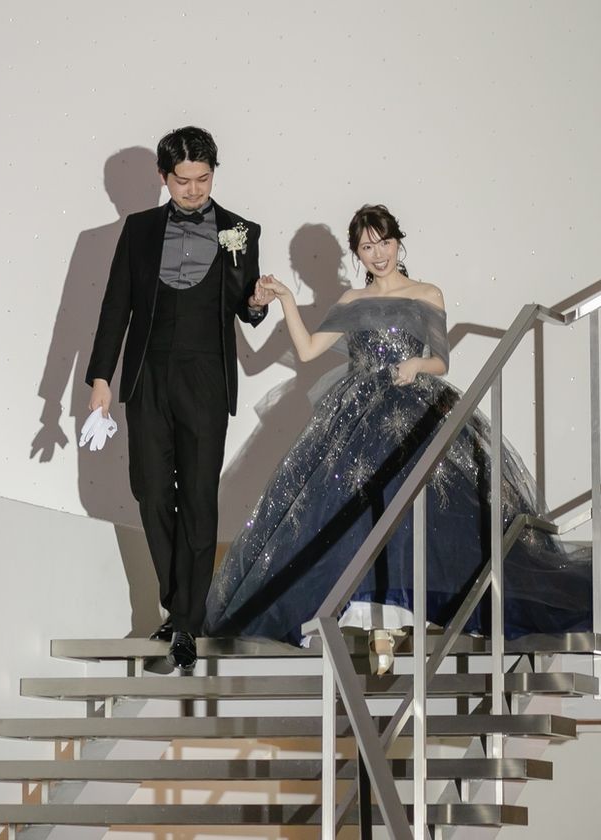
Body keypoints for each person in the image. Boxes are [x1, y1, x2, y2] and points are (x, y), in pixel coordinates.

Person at [204, 203, 592, 671]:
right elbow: (306, 350)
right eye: (367, 246)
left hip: (415, 406)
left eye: (384, 242)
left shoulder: (427, 293)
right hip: (358, 413)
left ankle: (408, 617)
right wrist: (285, 297)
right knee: (358, 513)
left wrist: (417, 364)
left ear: (398, 242)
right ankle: (376, 626)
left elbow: (441, 361)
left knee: (421, 510)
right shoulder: (351, 301)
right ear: (356, 254)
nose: (378, 253)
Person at [86, 126, 274, 671]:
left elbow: (246, 307)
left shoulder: (240, 231)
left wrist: (258, 303)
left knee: (198, 497)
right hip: (148, 374)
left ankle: (185, 620)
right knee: (149, 489)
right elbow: (116, 305)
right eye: (183, 181)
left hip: (206, 377)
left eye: (203, 179)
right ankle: (180, 602)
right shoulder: (140, 230)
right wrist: (101, 379)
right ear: (163, 177)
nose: (194, 190)